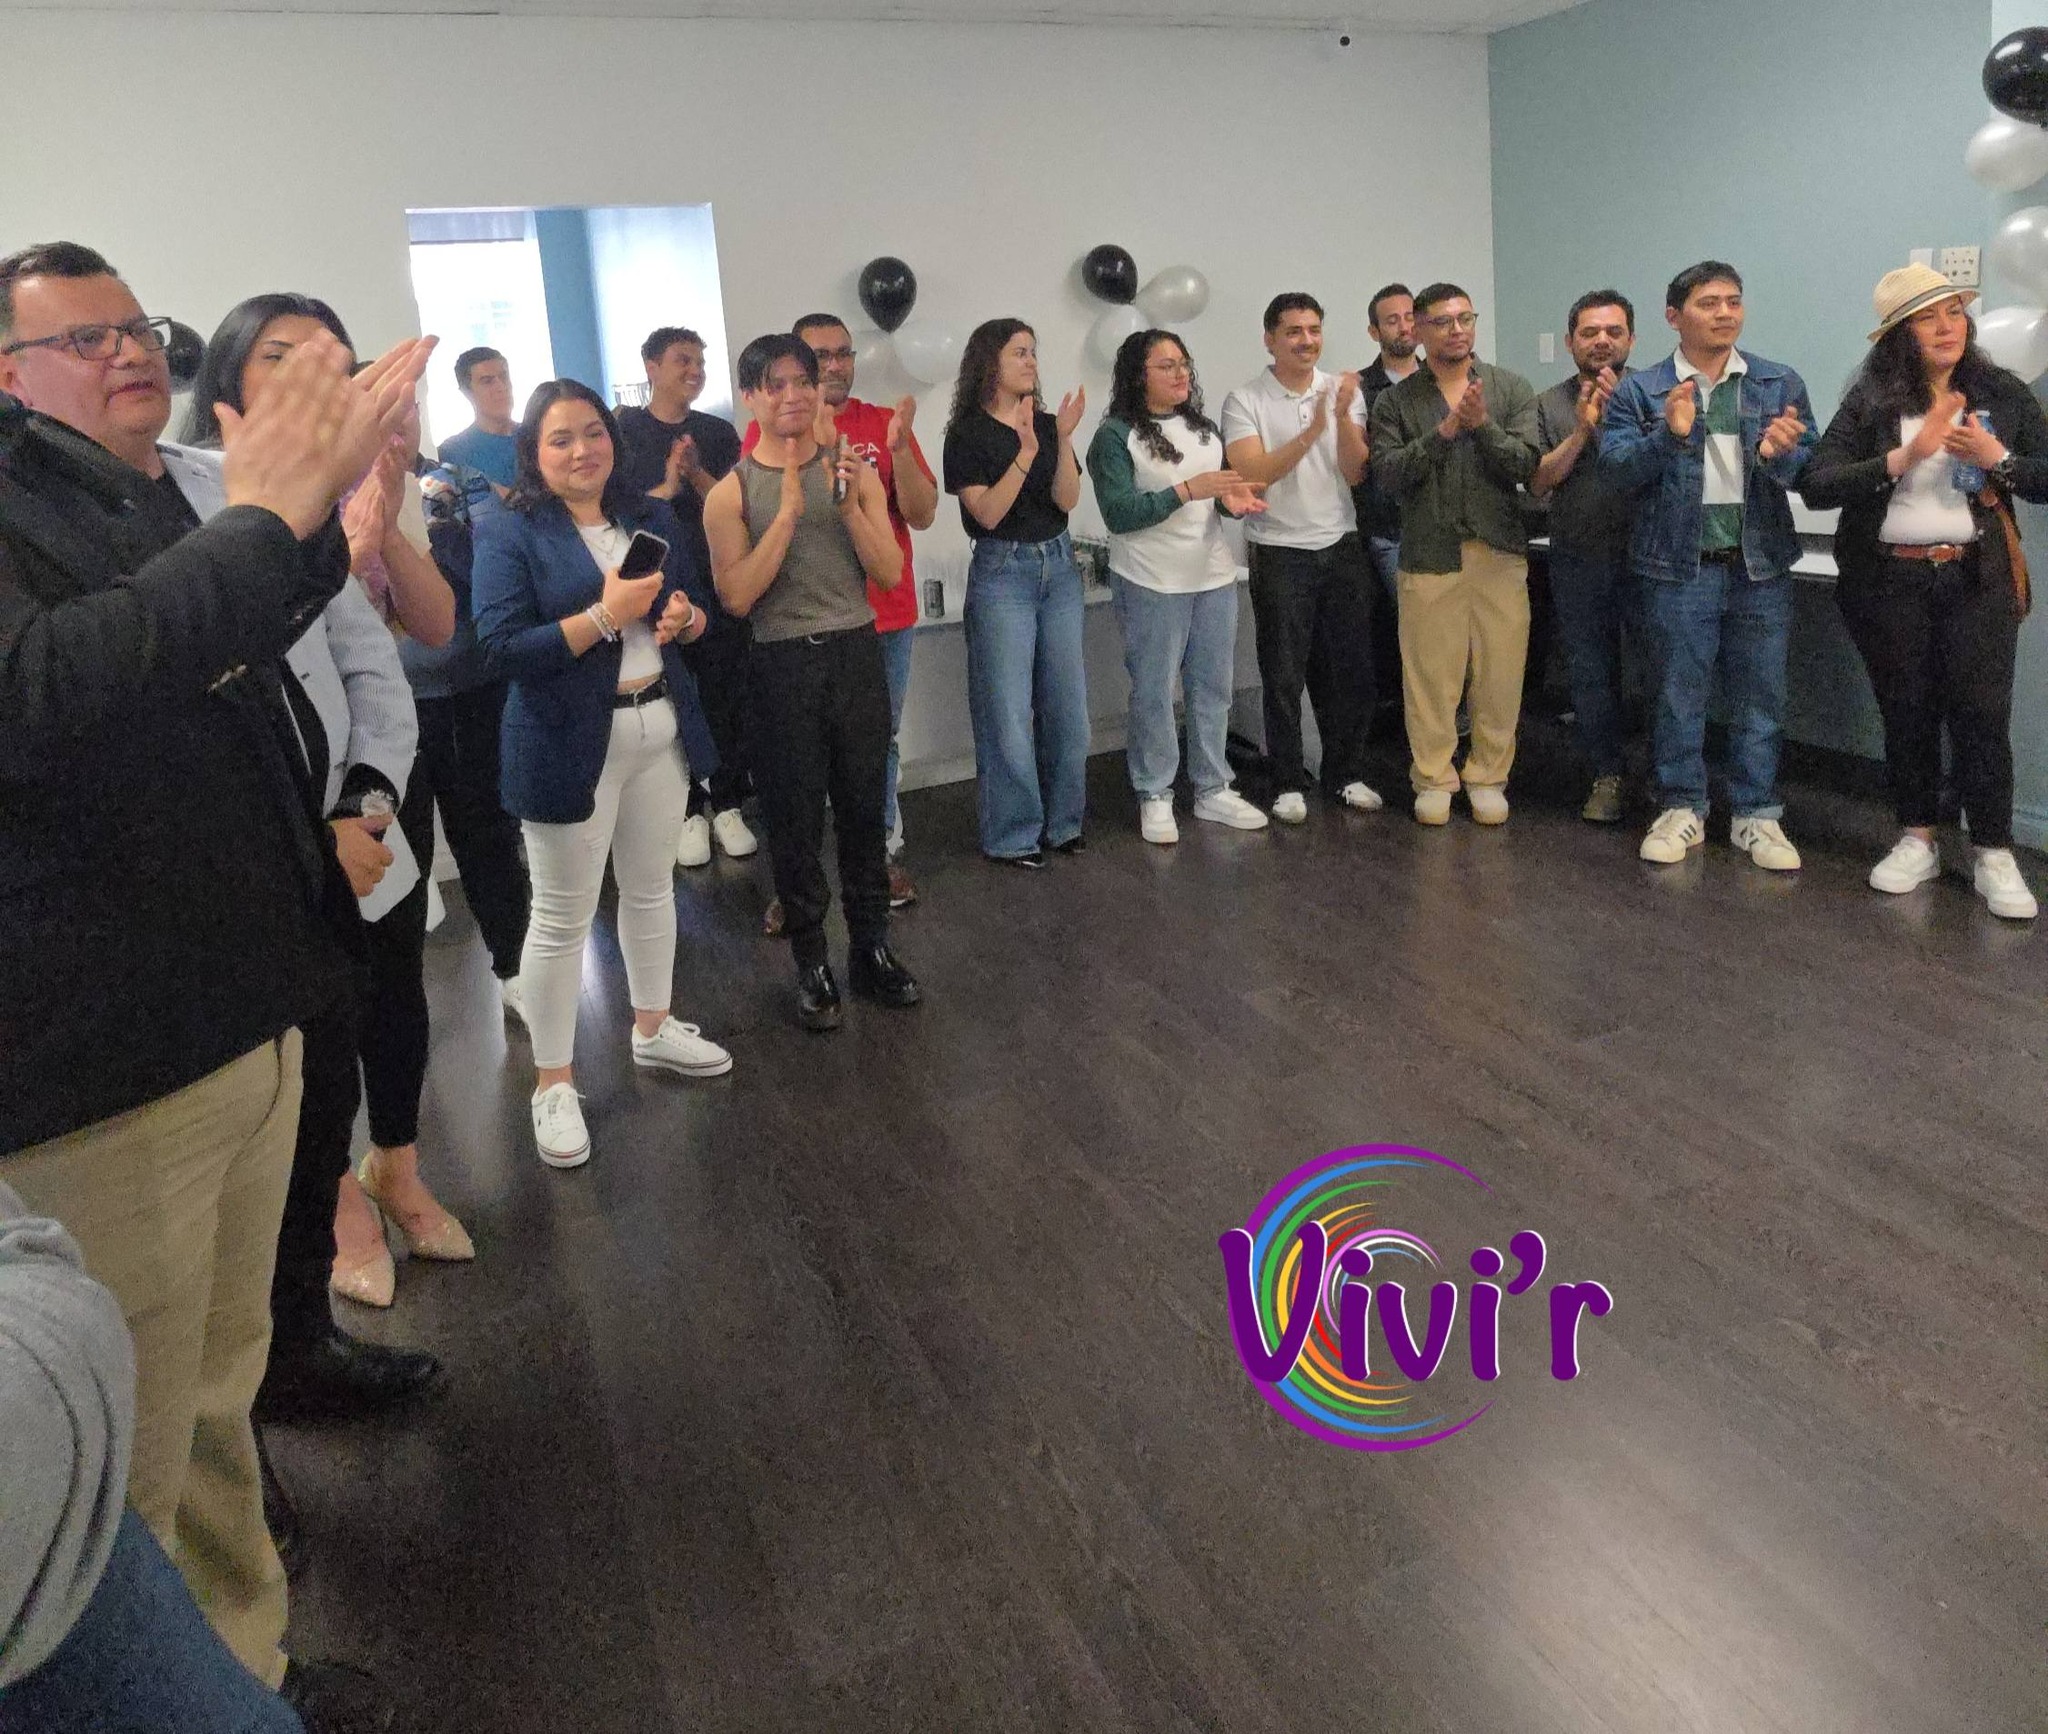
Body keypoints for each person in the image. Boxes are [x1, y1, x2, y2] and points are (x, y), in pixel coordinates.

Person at [0, 239, 426, 1725]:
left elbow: (246, 637)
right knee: (126, 1450)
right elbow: (54, 686)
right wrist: (265, 518)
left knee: (217, 1404)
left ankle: (246, 1662)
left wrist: (321, 511)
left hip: (238, 1015)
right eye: (83, 339)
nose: (132, 351)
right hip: (108, 1066)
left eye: (136, 328)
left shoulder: (116, 494)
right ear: (5, 373)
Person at [181, 297, 468, 1372]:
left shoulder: (347, 497)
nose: (311, 378)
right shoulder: (185, 499)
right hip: (261, 848)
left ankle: (397, 1168)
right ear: (225, 390)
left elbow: (378, 675)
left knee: (391, 1002)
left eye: (332, 364)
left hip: (371, 818)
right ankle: (341, 1209)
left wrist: (366, 811)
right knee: (307, 1049)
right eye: (281, 358)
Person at [475, 380, 732, 1167]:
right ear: (534, 452)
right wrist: (602, 617)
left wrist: (686, 619)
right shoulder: (505, 528)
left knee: (653, 890)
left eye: (593, 432)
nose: (582, 450)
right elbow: (499, 647)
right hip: (565, 740)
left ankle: (652, 1028)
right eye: (560, 439)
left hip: (660, 724)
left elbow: (694, 609)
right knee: (561, 919)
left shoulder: (649, 517)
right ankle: (553, 1083)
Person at [0, 1182, 315, 1733]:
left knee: (222, 1393)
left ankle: (260, 1656)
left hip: (55, 1515)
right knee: (157, 1489)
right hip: (50, 1536)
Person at [1803, 264, 2046, 919]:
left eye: (1955, 313)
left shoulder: (2002, 391)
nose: (1947, 327)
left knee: (1981, 716)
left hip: (1977, 582)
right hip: (1889, 583)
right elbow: (1817, 482)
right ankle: (1918, 837)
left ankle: (1993, 850)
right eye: (1927, 317)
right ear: (1898, 338)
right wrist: (1905, 458)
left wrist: (2000, 458)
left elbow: (2044, 478)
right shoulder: (1873, 401)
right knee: (1906, 712)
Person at [707, 334, 920, 1030]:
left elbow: (888, 570)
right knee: (795, 825)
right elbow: (737, 596)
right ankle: (811, 963)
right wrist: (790, 513)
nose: (794, 394)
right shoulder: (730, 491)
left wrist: (852, 503)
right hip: (781, 663)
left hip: (856, 652)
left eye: (804, 380)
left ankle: (872, 950)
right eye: (776, 384)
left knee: (864, 811)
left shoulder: (851, 467)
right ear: (751, 397)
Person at [1601, 261, 1817, 870]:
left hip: (1760, 565)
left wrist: (1782, 454)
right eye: (1708, 303)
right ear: (1675, 316)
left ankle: (1757, 815)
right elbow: (1616, 472)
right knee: (1677, 693)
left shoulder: (1778, 381)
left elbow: (1812, 467)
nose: (1725, 312)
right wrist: (1668, 436)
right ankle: (1682, 807)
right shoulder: (1640, 389)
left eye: (1733, 301)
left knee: (1761, 694)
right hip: (1677, 568)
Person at [744, 313, 937, 910]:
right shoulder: (765, 437)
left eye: (843, 353)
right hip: (800, 629)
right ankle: (798, 887)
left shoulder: (882, 424)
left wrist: (900, 453)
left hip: (883, 615)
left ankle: (881, 858)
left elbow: (924, 513)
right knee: (798, 759)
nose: (834, 366)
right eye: (819, 357)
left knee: (878, 748)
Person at [1086, 328, 1269, 844]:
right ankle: (1155, 792)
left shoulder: (1204, 429)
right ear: (1137, 375)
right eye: (1166, 365)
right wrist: (1190, 490)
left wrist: (1231, 502)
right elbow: (1120, 514)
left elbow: (1211, 497)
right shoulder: (1115, 437)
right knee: (1154, 692)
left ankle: (1212, 787)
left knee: (1212, 687)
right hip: (1151, 581)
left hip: (1213, 576)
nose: (1181, 373)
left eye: (1184, 363)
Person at [1370, 282, 1541, 825]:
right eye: (1442, 322)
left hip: (1499, 553)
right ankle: (1434, 778)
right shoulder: (1396, 401)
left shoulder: (1509, 388)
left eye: (1465, 318)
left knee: (1499, 673)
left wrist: (1481, 426)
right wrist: (1445, 431)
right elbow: (1389, 475)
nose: (1457, 330)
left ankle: (1489, 775)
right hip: (1429, 554)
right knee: (1429, 679)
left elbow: (1527, 466)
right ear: (1417, 331)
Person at [1220, 292, 1381, 824]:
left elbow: (1356, 473)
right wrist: (1312, 429)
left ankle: (1345, 773)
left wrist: (1341, 421)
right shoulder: (1244, 400)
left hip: (1342, 543)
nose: (1307, 340)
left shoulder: (1343, 391)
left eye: (1314, 329)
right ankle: (1288, 779)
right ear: (1270, 339)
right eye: (1294, 331)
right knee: (1284, 673)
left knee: (1349, 669)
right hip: (1279, 549)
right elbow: (1254, 475)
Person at [942, 319, 1091, 865]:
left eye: (1034, 351)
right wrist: (1025, 449)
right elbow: (986, 512)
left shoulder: (1050, 425)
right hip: (1003, 572)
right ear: (990, 364)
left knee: (1068, 707)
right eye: (1019, 352)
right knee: (1006, 712)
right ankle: (1012, 835)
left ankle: (1065, 824)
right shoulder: (966, 434)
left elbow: (1068, 501)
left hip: (1058, 565)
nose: (1031, 361)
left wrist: (1064, 437)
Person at [615, 325, 754, 867]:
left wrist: (695, 475)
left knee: (723, 691)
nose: (694, 371)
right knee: (676, 695)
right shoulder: (623, 434)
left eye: (700, 361)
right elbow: (618, 513)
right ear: (651, 366)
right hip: (651, 590)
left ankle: (728, 801)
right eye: (682, 360)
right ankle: (688, 808)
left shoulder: (717, 432)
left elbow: (739, 507)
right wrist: (667, 488)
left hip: (716, 580)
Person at [1531, 289, 1639, 823]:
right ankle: (1606, 774)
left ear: (1631, 339)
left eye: (1613, 332)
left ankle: (1673, 787)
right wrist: (1582, 430)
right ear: (1572, 341)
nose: (1601, 342)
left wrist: (1623, 415)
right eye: (1589, 333)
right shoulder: (1548, 403)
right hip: (1579, 557)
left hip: (1651, 558)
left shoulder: (1658, 393)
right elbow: (1537, 482)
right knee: (1592, 672)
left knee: (1663, 671)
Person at [1355, 283, 1420, 598]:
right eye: (1393, 320)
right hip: (1388, 530)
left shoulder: (1443, 380)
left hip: (1445, 529)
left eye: (1410, 317)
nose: (1405, 327)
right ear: (1374, 331)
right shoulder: (1360, 389)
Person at [436, 346, 518, 494]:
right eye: (487, 381)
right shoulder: (452, 453)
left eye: (504, 377)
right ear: (467, 392)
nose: (501, 387)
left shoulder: (537, 436)